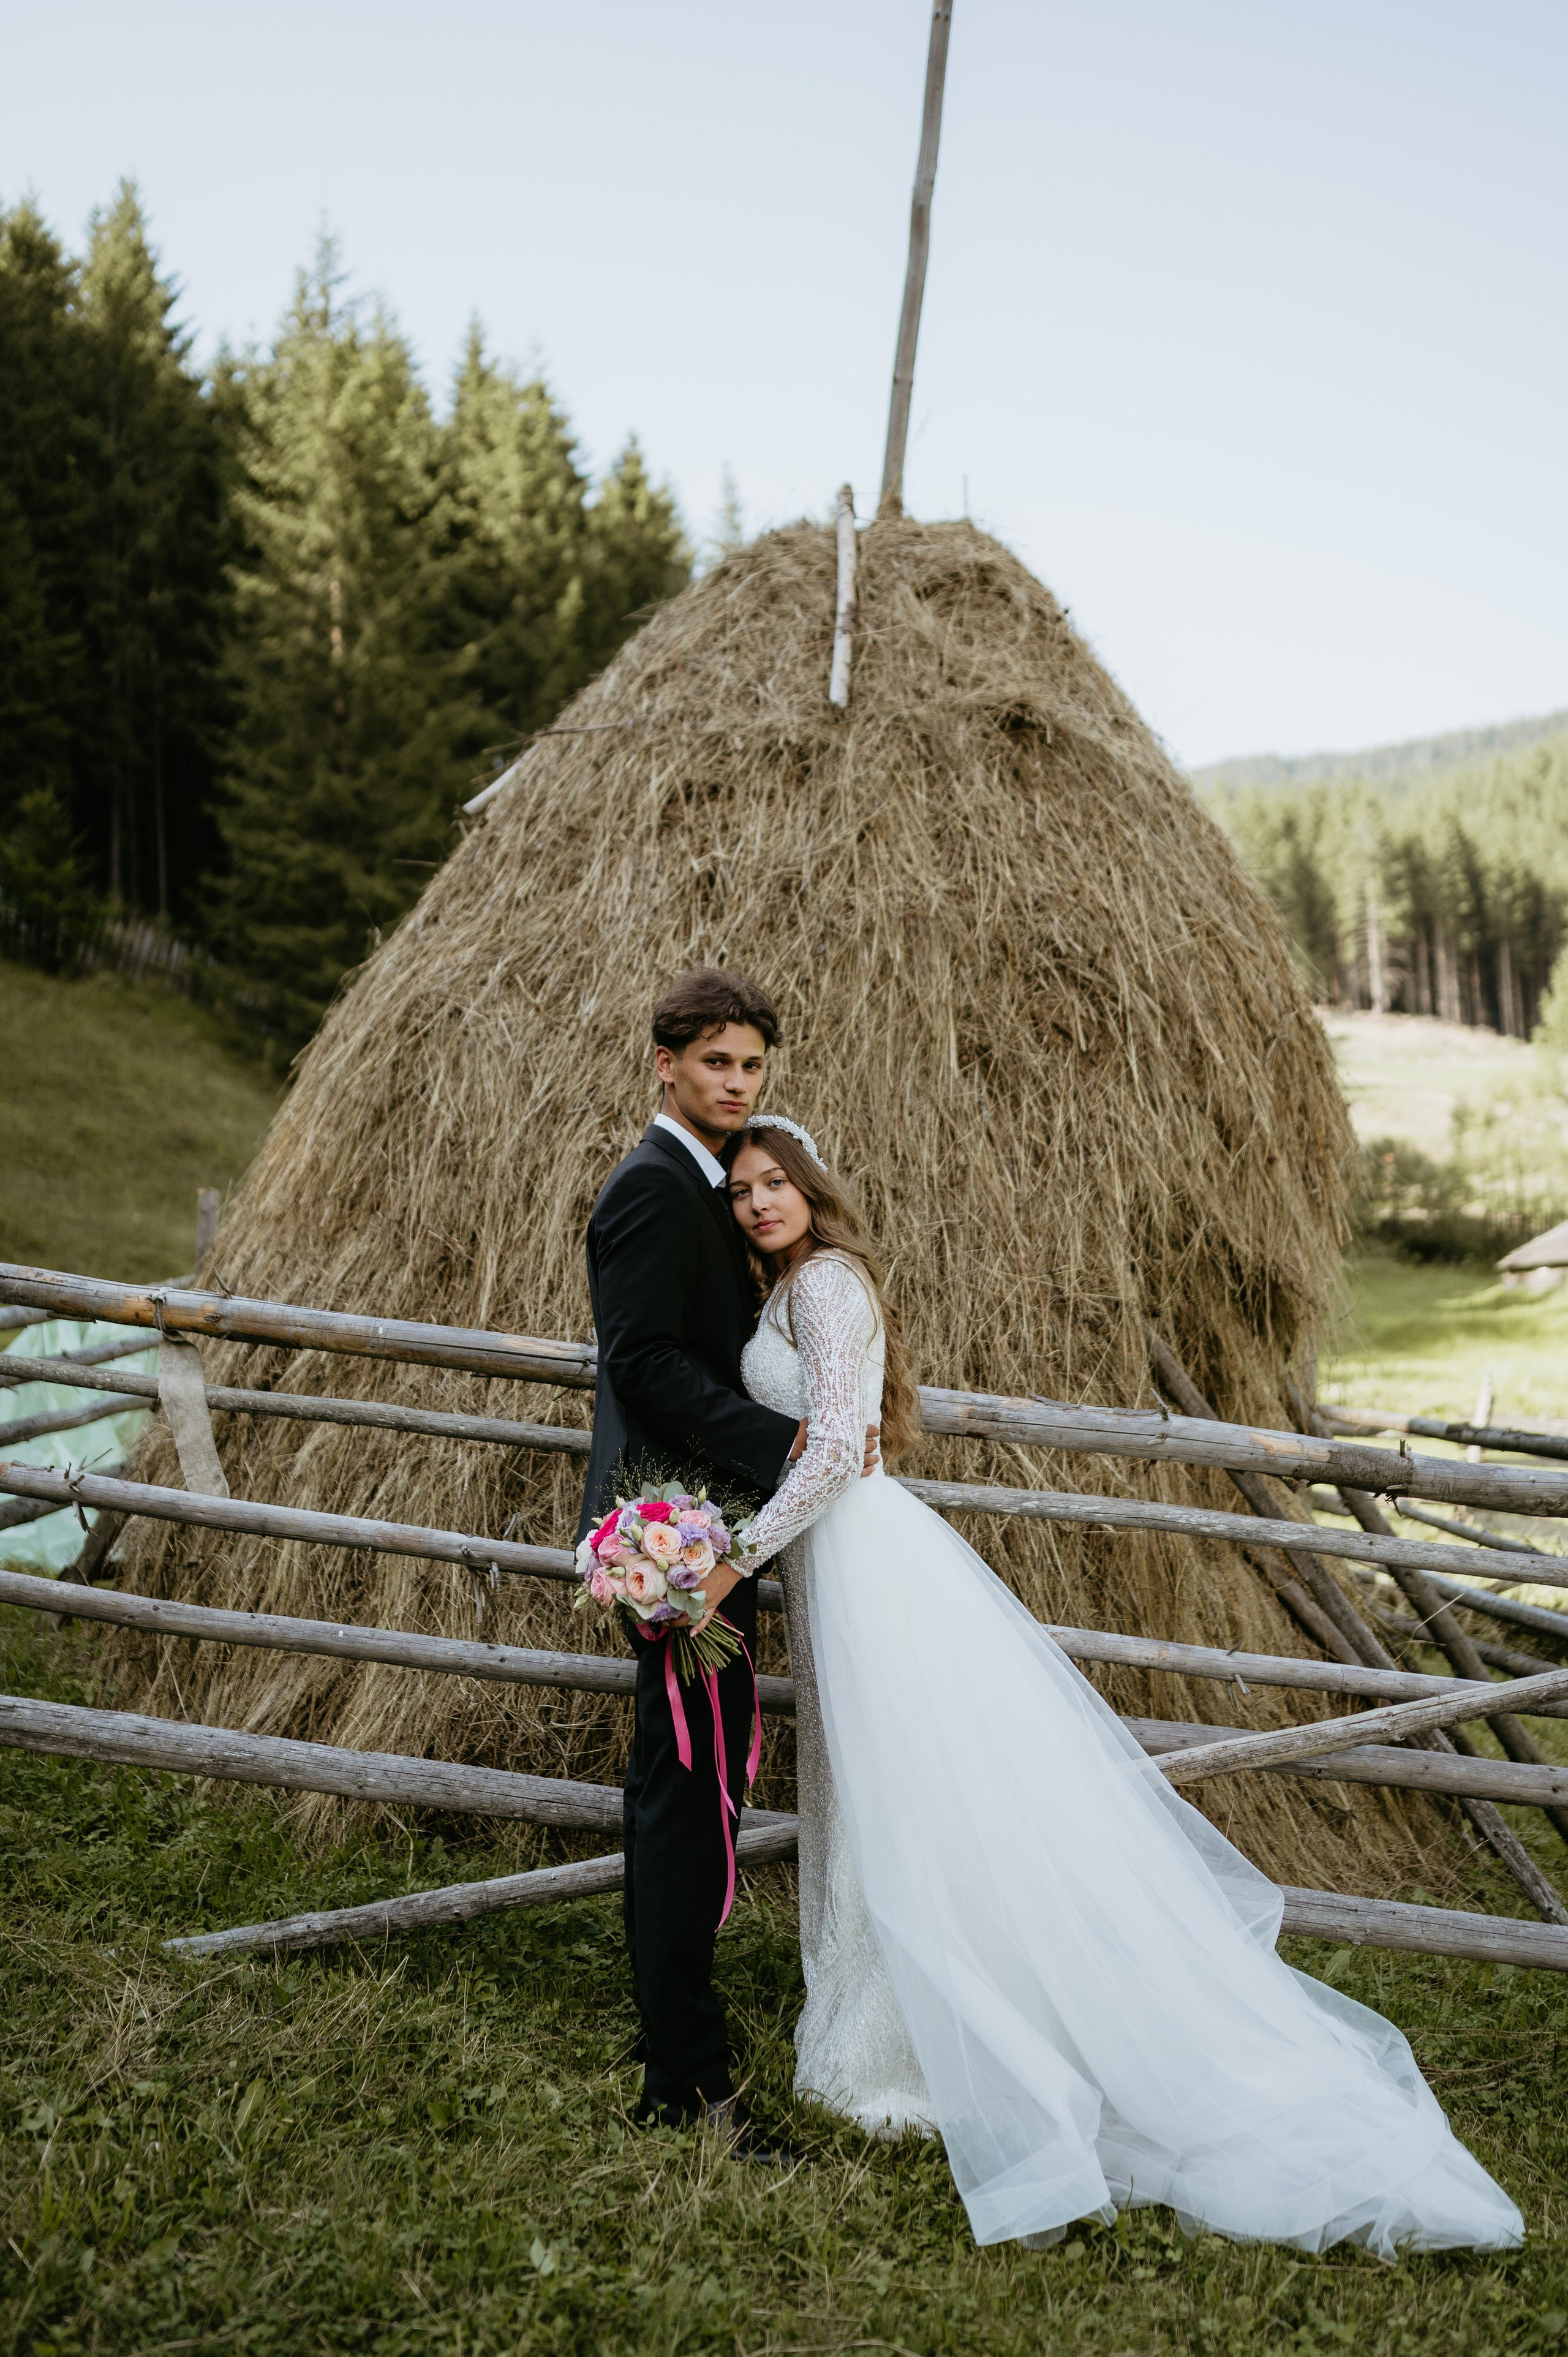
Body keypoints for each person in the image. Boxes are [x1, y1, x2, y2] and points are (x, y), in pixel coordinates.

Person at [726, 1115, 1525, 2256]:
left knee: (912, 1795)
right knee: (870, 1798)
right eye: (742, 1191)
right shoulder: (786, 1287)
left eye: (775, 1183)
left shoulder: (832, 1287)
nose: (759, 1202)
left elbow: (839, 1446)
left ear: (811, 1189)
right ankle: (875, 2023)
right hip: (834, 1564)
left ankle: (933, 2043)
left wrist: (729, 1556)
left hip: (865, 1558)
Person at [579, 969, 873, 2146]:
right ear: (667, 1065)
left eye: (752, 1067)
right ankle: (688, 2086)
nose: (736, 1083)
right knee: (687, 1797)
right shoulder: (653, 1191)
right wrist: (786, 1443)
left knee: (688, 1790)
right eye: (716, 1064)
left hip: (712, 1540)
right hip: (681, 1545)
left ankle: (678, 2052)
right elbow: (642, 1361)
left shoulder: (711, 1188)